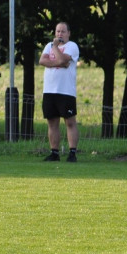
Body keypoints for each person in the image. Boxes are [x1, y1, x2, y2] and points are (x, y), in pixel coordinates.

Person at [39, 22, 80, 162]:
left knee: (70, 122)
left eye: (62, 31)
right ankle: (54, 153)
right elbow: (42, 60)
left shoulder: (72, 46)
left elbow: (63, 59)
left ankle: (72, 153)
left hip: (66, 91)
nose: (59, 34)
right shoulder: (48, 46)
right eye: (57, 31)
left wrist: (56, 48)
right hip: (49, 90)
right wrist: (59, 63)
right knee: (52, 122)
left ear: (68, 33)